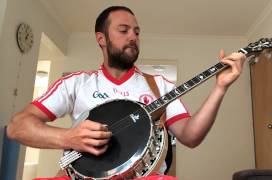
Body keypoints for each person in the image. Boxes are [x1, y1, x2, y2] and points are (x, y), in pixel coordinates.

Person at [7, 5, 246, 177]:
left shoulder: (160, 86)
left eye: (137, 32)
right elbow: (17, 127)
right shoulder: (75, 83)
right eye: (124, 30)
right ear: (101, 39)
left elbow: (191, 136)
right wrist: (68, 138)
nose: (133, 37)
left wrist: (220, 87)